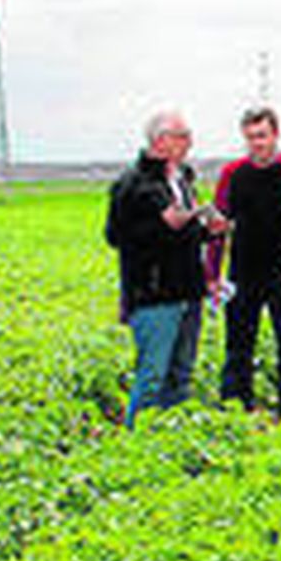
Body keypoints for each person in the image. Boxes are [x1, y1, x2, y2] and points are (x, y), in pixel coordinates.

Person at [104, 111, 226, 426]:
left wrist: (208, 230)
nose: (189, 142)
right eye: (182, 135)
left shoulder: (182, 178)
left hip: (188, 290)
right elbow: (116, 236)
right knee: (152, 379)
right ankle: (138, 447)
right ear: (161, 140)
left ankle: (171, 440)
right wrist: (162, 225)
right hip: (154, 295)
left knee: (181, 376)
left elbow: (183, 236)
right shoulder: (131, 183)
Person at [208, 107, 281, 417]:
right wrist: (212, 275)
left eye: (262, 136)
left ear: (275, 135)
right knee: (238, 348)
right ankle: (235, 413)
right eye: (250, 137)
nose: (257, 143)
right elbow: (217, 227)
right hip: (243, 273)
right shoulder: (232, 174)